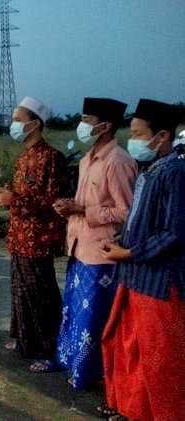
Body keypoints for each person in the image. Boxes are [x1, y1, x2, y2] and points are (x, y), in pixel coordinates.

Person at [97, 99, 185, 421]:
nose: (131, 139)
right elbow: (144, 221)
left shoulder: (175, 172)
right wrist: (123, 241)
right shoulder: (150, 170)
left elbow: (174, 232)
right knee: (131, 348)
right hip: (135, 277)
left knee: (161, 358)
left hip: (159, 282)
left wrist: (131, 252)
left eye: (137, 133)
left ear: (161, 136)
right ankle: (135, 409)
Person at [52, 98, 137, 391]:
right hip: (80, 247)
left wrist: (82, 211)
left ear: (106, 126)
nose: (83, 125)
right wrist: (71, 206)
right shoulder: (88, 158)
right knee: (76, 314)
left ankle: (95, 374)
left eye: (88, 120)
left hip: (101, 253)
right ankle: (79, 369)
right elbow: (86, 202)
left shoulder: (119, 161)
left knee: (94, 321)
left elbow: (126, 213)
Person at [0, 97, 69, 372]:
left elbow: (55, 202)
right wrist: (9, 198)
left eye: (17, 119)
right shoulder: (24, 158)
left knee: (42, 296)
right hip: (19, 237)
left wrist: (14, 199)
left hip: (39, 238)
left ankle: (51, 351)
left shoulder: (51, 157)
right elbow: (22, 197)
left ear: (35, 123)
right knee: (20, 292)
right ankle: (25, 341)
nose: (13, 124)